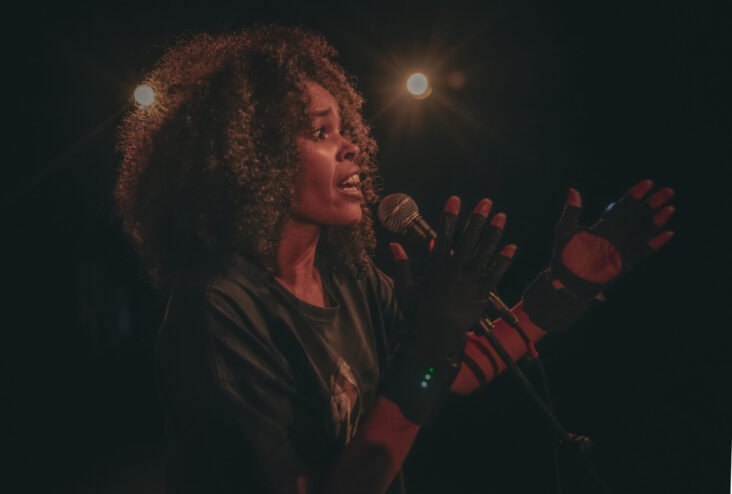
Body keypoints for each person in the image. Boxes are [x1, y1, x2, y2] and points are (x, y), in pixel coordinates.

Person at [114, 25, 675, 494]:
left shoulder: (347, 275)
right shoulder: (220, 308)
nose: (351, 145)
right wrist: (427, 348)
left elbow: (442, 376)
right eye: (320, 132)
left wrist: (558, 293)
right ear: (253, 159)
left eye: (344, 128)